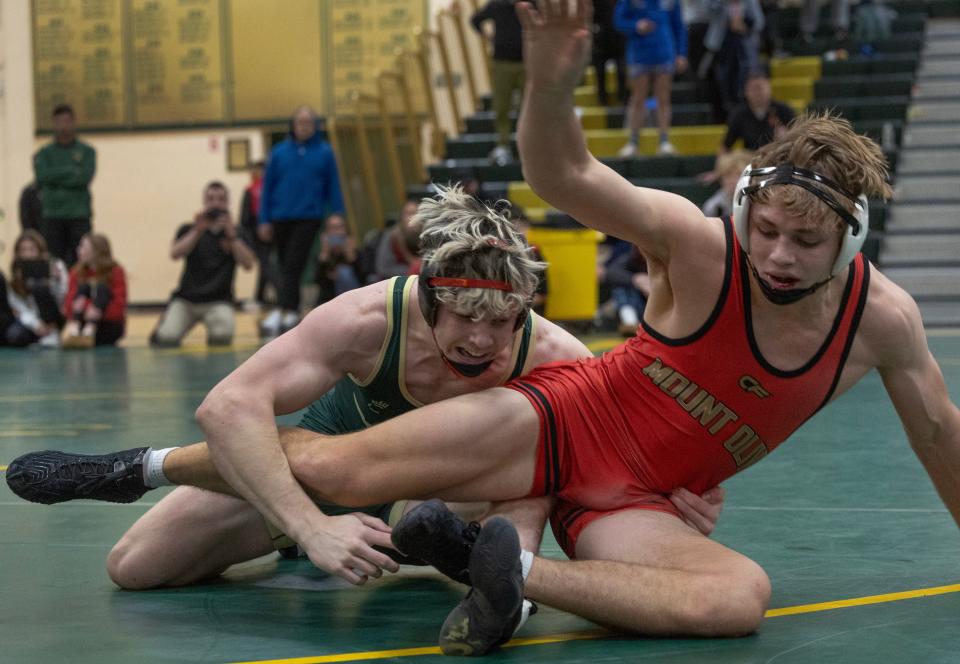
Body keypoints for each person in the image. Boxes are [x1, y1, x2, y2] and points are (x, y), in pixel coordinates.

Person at [14, 6, 952, 657]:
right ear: (745, 213)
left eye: (807, 240)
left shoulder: (885, 323)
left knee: (736, 597)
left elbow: (941, 438)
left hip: (635, 504)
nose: (779, 256)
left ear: (852, 238)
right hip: (556, 425)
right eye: (769, 230)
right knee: (338, 469)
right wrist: (549, 82)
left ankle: (499, 566)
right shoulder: (698, 245)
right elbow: (566, 176)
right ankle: (141, 466)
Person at [7, 187, 724, 612]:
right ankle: (145, 471)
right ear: (429, 302)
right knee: (132, 568)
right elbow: (228, 407)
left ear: (523, 313)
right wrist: (310, 527)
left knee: (530, 470)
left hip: (439, 495)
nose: (480, 343)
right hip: (321, 477)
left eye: (499, 323)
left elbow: (617, 441)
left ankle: (500, 585)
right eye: (464, 322)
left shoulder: (552, 352)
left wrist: (672, 495)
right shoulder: (365, 320)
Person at [259, 106, 346, 337]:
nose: (304, 127)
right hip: (280, 217)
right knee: (282, 264)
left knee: (293, 265)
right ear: (293, 125)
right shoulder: (278, 153)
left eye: (308, 122)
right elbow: (267, 188)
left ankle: (287, 309)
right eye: (300, 122)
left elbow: (333, 185)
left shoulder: (325, 152)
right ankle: (286, 307)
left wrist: (338, 212)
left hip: (308, 217)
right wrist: (264, 219)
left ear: (315, 126)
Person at [150, 182, 256, 348]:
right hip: (187, 300)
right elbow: (175, 253)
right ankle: (164, 324)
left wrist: (233, 238)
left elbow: (249, 264)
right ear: (204, 202)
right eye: (211, 199)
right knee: (166, 338)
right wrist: (197, 231)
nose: (215, 203)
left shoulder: (237, 232)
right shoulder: (188, 228)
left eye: (221, 199)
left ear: (227, 202)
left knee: (222, 335)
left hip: (219, 301)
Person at [614, 0, 688, 157]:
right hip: (640, 53)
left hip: (664, 51)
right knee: (638, 98)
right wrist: (636, 26)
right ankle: (633, 142)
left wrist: (681, 53)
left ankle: (664, 141)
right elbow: (619, 20)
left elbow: (679, 26)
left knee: (663, 98)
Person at [32, 104, 97, 267]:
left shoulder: (87, 151)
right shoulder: (44, 153)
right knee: (54, 261)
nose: (63, 126)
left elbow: (84, 177)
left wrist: (55, 176)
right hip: (52, 214)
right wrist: (71, 171)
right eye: (59, 122)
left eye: (67, 121)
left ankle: (82, 291)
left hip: (79, 214)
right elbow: (42, 176)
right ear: (53, 123)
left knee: (83, 260)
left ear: (73, 122)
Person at [471, 0, 527, 165]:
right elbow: (475, 20)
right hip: (502, 62)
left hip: (525, 62)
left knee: (527, 108)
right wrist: (488, 36)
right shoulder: (496, 5)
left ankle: (526, 145)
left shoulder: (528, 4)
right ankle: (503, 145)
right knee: (502, 106)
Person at [5, 230, 68, 348]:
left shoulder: (55, 265)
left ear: (40, 250)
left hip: (56, 318)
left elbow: (64, 298)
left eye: (31, 249)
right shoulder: (16, 273)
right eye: (23, 250)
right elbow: (19, 306)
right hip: (33, 322)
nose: (28, 254)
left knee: (40, 287)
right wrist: (36, 325)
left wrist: (57, 281)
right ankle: (40, 337)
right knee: (14, 335)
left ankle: (53, 334)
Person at [62, 233, 127, 347]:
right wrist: (88, 308)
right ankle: (79, 330)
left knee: (102, 288)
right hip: (81, 321)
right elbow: (69, 303)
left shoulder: (115, 271)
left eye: (83, 247)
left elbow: (119, 305)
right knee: (83, 288)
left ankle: (88, 330)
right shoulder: (76, 272)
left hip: (107, 324)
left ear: (96, 251)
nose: (79, 250)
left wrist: (97, 312)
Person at [239, 160, 279, 309]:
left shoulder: (254, 190)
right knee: (265, 264)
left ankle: (280, 294)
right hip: (262, 233)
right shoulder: (263, 190)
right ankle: (260, 297)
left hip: (261, 233)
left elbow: (244, 219)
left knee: (266, 265)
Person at [315, 214, 361, 305]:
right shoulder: (323, 255)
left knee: (344, 272)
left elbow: (363, 279)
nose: (336, 232)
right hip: (330, 301)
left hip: (355, 299)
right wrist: (325, 255)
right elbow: (318, 282)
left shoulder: (355, 252)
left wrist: (351, 256)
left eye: (340, 227)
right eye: (332, 228)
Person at [372, 197, 421, 281]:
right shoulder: (392, 236)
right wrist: (413, 269)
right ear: (401, 217)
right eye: (407, 214)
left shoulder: (426, 235)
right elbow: (383, 269)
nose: (411, 218)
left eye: (414, 213)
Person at [701, 150, 754, 218]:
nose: (732, 180)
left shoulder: (757, 202)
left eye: (738, 175)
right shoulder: (713, 206)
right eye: (728, 175)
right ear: (721, 179)